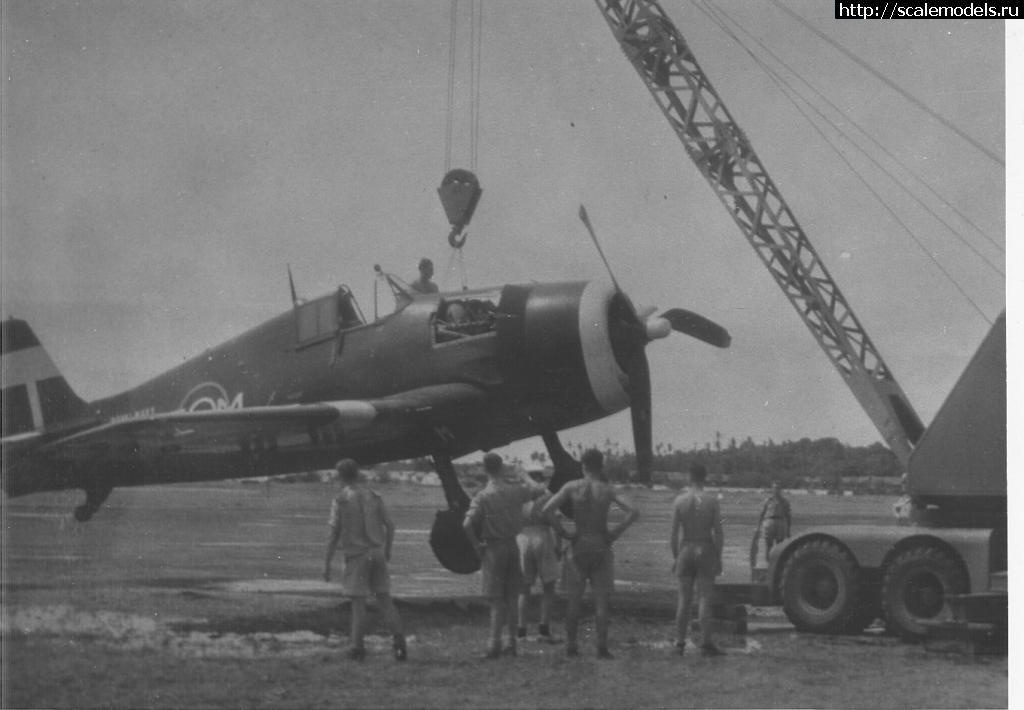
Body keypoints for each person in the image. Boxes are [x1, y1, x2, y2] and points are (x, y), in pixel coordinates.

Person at [541, 448, 639, 659]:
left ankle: (571, 646)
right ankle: (601, 647)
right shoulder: (606, 489)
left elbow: (546, 510)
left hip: (579, 544)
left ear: (582, 466)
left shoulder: (572, 487)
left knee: (574, 601)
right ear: (601, 466)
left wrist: (563, 532)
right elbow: (633, 511)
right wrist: (614, 533)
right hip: (601, 544)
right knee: (601, 602)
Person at [463, 453, 548, 659]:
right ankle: (512, 644)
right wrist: (523, 474)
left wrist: (477, 546)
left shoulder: (483, 496)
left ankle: (494, 644)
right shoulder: (515, 491)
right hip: (512, 545)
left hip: (493, 548)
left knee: (495, 601)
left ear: (485, 470)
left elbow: (466, 524)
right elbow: (540, 489)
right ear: (501, 468)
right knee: (511, 598)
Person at [323, 459, 407, 662]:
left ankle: (357, 647)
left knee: (358, 604)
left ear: (340, 476)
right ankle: (399, 644)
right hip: (377, 552)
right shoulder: (374, 496)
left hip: (357, 556)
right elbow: (391, 526)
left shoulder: (340, 500)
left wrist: (326, 563)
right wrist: (387, 550)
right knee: (385, 600)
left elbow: (334, 533)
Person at [671, 462, 724, 657]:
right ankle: (706, 643)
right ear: (705, 477)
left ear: (689, 477)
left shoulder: (679, 501)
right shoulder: (711, 501)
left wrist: (676, 557)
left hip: (686, 548)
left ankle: (679, 642)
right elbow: (718, 532)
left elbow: (674, 534)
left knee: (683, 599)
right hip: (705, 548)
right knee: (704, 598)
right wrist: (718, 556)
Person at [516, 472, 561, 642]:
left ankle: (521, 630)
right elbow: (555, 521)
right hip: (542, 535)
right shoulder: (547, 496)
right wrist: (559, 545)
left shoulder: (519, 497)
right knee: (548, 586)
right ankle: (544, 628)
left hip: (522, 538)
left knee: (523, 588)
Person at [756, 481, 791, 565]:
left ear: (781, 490)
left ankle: (779, 564)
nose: (776, 490)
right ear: (772, 489)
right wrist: (758, 526)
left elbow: (788, 515)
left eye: (778, 488)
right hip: (769, 522)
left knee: (780, 545)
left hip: (780, 522)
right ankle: (768, 564)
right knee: (768, 545)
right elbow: (762, 513)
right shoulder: (768, 500)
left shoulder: (785, 501)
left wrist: (788, 529)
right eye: (775, 488)